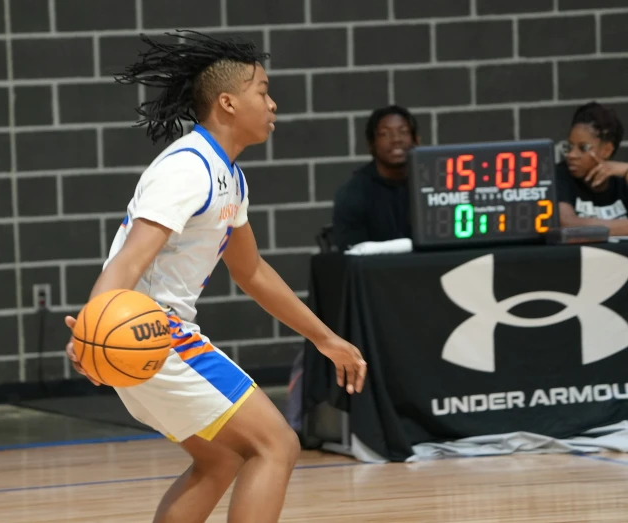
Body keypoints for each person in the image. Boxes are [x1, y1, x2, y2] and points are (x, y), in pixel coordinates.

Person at [63, 31, 367, 523]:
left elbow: (251, 272)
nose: (273, 103)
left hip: (148, 340)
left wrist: (325, 338)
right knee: (277, 445)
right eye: (263, 91)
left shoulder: (228, 175)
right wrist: (91, 329)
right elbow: (128, 261)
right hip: (153, 337)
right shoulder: (187, 169)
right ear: (227, 102)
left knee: (220, 458)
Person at [331, 105, 420, 252]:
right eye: (385, 134)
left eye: (403, 132)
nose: (396, 139)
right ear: (371, 145)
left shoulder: (431, 183)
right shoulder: (352, 192)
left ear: (416, 139)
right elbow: (352, 254)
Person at [556, 101, 628, 235]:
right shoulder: (560, 175)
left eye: (583, 148)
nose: (571, 155)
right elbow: (568, 225)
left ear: (607, 150)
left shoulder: (622, 179)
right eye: (570, 146)